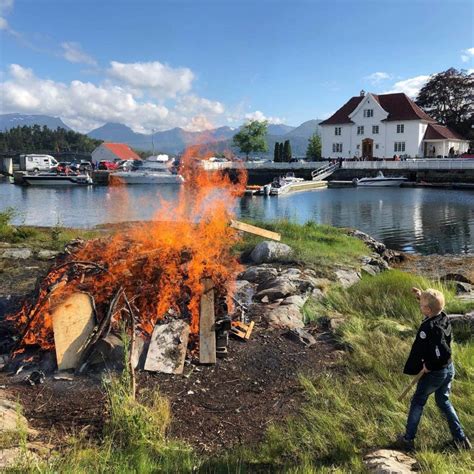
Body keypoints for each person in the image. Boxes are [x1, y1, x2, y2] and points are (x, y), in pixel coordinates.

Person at [396, 288, 471, 451]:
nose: (420, 306)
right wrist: (421, 296)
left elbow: (443, 352)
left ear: (427, 309)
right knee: (443, 401)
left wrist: (429, 365)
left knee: (418, 401)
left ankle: (407, 439)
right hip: (449, 369)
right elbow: (433, 309)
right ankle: (461, 439)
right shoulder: (442, 317)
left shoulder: (429, 328)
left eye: (422, 305)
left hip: (436, 373)